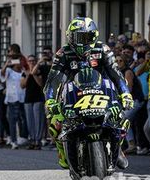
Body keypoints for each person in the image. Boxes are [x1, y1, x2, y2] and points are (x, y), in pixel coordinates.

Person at [44, 17, 133, 169]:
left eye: (86, 37)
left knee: (120, 116)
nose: (81, 42)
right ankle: (62, 152)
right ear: (69, 37)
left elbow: (116, 74)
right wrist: (50, 100)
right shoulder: (63, 53)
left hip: (102, 93)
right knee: (55, 123)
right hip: (73, 95)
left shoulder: (102, 49)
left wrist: (125, 94)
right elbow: (53, 79)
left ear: (94, 36)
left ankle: (118, 147)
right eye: (77, 37)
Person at [23, 54, 46, 150]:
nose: (31, 62)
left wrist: (34, 74)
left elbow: (40, 83)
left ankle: (38, 140)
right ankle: (32, 139)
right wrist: (28, 75)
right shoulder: (25, 72)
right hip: (28, 99)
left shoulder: (39, 71)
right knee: (30, 120)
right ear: (27, 62)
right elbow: (22, 85)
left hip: (38, 98)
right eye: (30, 61)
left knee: (38, 120)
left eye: (33, 61)